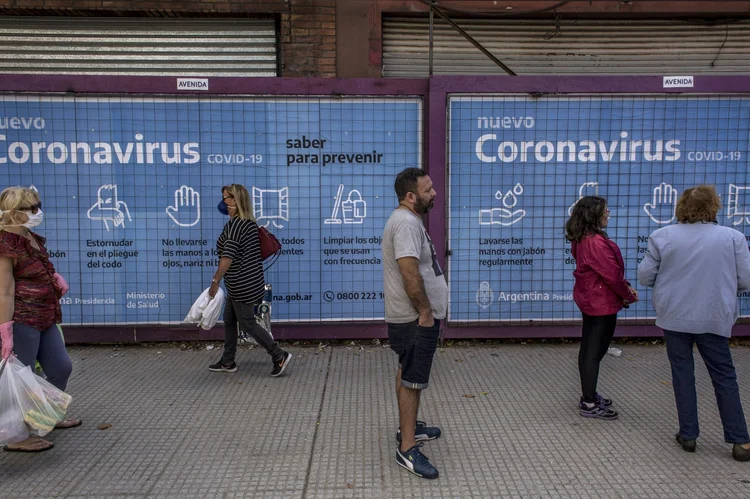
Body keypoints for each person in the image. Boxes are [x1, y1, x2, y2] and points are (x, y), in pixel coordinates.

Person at [638, 185, 750, 462]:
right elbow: (745, 280)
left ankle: (688, 435)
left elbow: (644, 277)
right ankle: (740, 441)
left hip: (675, 316)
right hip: (714, 315)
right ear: (714, 207)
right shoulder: (733, 238)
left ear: (681, 207)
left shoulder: (661, 236)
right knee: (724, 376)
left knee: (682, 373)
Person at [0, 186, 81, 453]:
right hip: (22, 319)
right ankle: (17, 437)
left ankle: (44, 416)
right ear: (13, 213)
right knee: (22, 378)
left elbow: (40, 267)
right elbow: (5, 290)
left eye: (38, 205)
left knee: (60, 368)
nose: (38, 212)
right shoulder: (4, 243)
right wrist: (5, 330)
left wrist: (53, 278)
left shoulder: (30, 237)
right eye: (31, 208)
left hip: (46, 315)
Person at [381, 168, 447, 479]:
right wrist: (424, 311)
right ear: (411, 196)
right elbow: (409, 273)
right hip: (413, 317)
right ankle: (407, 448)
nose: (433, 193)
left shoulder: (407, 220)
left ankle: (408, 428)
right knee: (413, 379)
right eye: (428, 189)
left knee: (406, 368)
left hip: (412, 316)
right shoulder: (406, 224)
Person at [208, 184, 292, 377]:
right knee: (230, 319)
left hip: (242, 282)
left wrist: (215, 281)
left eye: (226, 198)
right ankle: (228, 361)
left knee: (247, 322)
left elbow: (227, 257)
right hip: (246, 279)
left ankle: (278, 355)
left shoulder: (236, 225)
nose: (223, 202)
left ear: (236, 201)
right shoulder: (247, 222)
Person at [566, 196, 638, 421]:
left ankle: (589, 395)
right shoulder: (595, 242)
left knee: (590, 349)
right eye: (605, 211)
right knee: (594, 351)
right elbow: (612, 276)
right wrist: (627, 294)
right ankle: (588, 402)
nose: (609, 214)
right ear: (594, 214)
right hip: (600, 303)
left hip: (593, 299)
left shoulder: (583, 238)